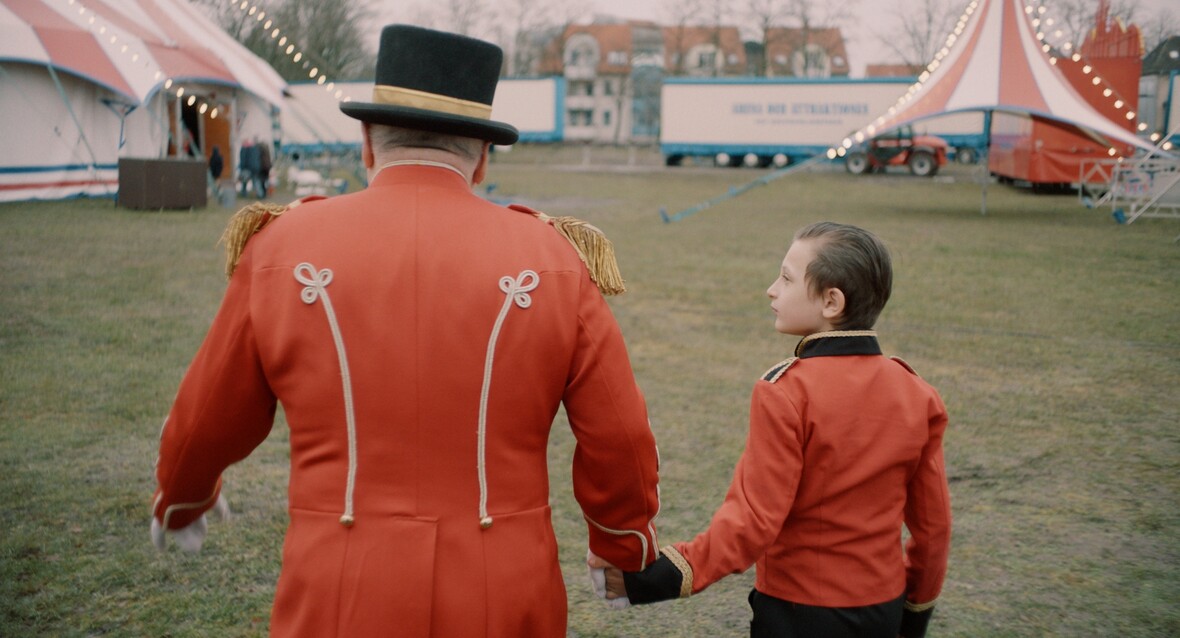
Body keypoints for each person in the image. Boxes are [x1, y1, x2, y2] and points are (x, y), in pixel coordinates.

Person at [149, 24, 661, 637]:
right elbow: (620, 435)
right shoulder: (551, 255)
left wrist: (182, 499)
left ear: (366, 141)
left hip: (337, 584)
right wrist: (621, 543)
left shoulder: (281, 245)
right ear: (481, 155)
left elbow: (207, 413)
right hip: (502, 585)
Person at [593, 222, 951, 638]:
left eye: (786, 278)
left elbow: (752, 522)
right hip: (883, 610)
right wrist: (914, 613)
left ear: (831, 302)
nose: (771, 289)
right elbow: (934, 528)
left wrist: (650, 579)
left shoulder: (786, 392)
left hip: (800, 614)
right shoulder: (917, 393)